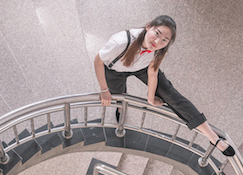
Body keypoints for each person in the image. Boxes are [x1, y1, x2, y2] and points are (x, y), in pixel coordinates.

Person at [94, 15, 235, 157]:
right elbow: (98, 61)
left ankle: (213, 138)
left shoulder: (159, 49)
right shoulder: (121, 42)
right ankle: (120, 108)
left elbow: (153, 73)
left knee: (169, 94)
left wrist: (151, 98)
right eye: (157, 33)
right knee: (117, 94)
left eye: (164, 40)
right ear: (148, 26)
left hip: (142, 68)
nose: (157, 42)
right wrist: (104, 90)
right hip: (115, 70)